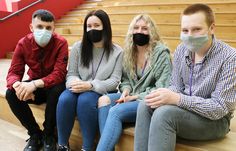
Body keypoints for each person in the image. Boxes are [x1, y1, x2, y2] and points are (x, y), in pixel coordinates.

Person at [134, 3, 236, 151]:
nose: (189, 35)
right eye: (185, 30)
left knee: (164, 114)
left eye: (196, 29)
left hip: (216, 121)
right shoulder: (182, 49)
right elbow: (175, 86)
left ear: (211, 28)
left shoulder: (230, 57)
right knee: (146, 104)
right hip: (186, 112)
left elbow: (219, 108)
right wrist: (161, 95)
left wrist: (178, 99)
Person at [96, 14, 172, 151]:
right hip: (131, 96)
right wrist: (125, 91)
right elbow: (125, 80)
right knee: (103, 100)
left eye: (144, 28)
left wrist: (136, 97)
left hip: (148, 101)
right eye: (136, 28)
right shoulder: (129, 52)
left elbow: (163, 86)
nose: (139, 32)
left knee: (115, 112)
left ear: (152, 31)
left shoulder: (161, 53)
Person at [56, 9, 123, 151]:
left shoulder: (117, 52)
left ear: (105, 26)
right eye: (89, 26)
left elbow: (115, 80)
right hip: (78, 86)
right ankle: (62, 145)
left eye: (96, 25)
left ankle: (87, 147)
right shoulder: (77, 47)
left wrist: (91, 85)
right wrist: (76, 84)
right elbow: (71, 73)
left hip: (100, 90)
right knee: (64, 99)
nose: (92, 29)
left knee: (85, 101)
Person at [5, 9, 68, 151]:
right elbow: (14, 72)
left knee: (58, 89)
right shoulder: (23, 43)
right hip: (36, 88)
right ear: (31, 27)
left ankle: (49, 134)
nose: (44, 31)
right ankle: (35, 134)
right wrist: (17, 85)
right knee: (10, 94)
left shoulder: (61, 43)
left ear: (53, 28)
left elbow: (59, 74)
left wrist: (34, 84)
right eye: (39, 27)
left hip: (53, 86)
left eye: (48, 28)